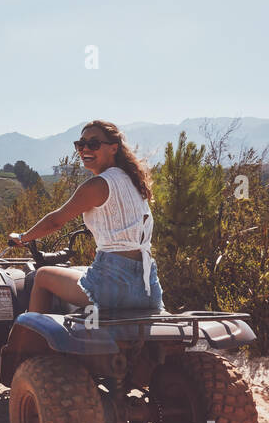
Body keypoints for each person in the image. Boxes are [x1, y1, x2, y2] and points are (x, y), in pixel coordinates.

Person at [10, 120, 161, 314]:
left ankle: (29, 342)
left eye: (93, 144)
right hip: (148, 287)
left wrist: (22, 238)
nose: (84, 149)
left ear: (114, 148)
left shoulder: (98, 185)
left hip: (111, 287)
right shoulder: (135, 182)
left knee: (42, 277)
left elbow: (55, 221)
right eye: (80, 144)